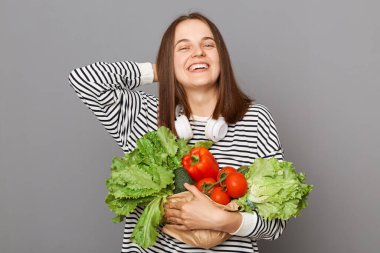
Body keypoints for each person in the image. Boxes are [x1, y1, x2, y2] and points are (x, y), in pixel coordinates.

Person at [68, 12, 287, 253]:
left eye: (208, 44)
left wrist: (224, 221)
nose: (198, 52)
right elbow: (84, 80)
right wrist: (160, 70)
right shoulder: (143, 116)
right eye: (184, 48)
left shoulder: (255, 119)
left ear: (221, 58)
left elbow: (276, 223)